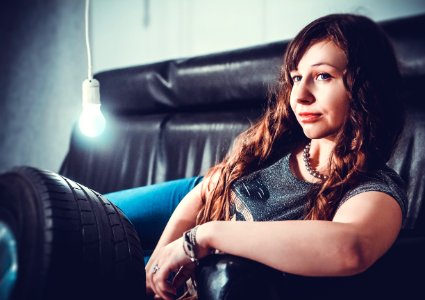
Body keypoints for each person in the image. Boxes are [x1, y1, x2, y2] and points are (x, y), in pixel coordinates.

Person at [106, 13, 407, 300]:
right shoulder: (279, 140)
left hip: (200, 251)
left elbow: (351, 249)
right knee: (74, 216)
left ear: (367, 88)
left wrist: (206, 237)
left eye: (323, 76)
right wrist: (159, 261)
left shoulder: (374, 188)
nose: (300, 95)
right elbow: (207, 190)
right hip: (193, 200)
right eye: (297, 77)